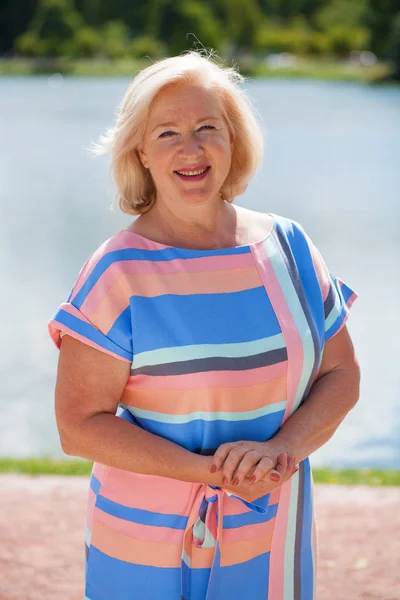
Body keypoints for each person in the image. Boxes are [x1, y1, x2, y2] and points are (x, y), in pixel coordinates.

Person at [48, 50, 360, 600]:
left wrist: (284, 447)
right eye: (166, 133)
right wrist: (210, 474)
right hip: (148, 546)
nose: (189, 149)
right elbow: (79, 426)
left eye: (206, 128)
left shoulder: (289, 247)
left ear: (233, 140)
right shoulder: (117, 272)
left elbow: (342, 374)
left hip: (274, 531)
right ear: (140, 151)